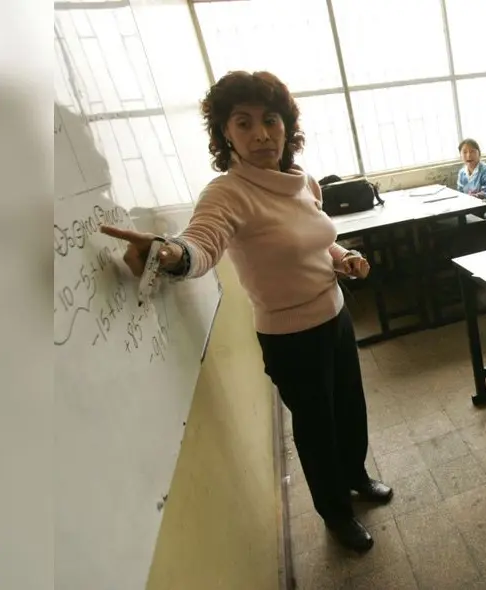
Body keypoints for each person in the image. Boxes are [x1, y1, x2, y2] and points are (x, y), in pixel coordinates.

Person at [99, 71, 390, 554]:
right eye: (244, 123)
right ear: (225, 134)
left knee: (349, 406)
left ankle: (356, 476)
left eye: (270, 120)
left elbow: (319, 242)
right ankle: (337, 514)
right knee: (316, 429)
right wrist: (168, 252)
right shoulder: (227, 193)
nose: (261, 134)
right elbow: (202, 242)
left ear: (286, 126)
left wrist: (345, 258)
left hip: (336, 316)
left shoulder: (303, 182)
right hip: (291, 337)